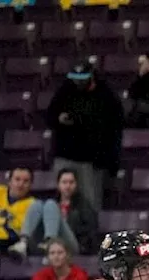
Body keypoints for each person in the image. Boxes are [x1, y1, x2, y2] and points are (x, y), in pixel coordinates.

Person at [46, 62, 123, 212]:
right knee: (61, 204)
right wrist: (59, 119)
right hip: (65, 154)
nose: (78, 82)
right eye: (75, 78)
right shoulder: (65, 91)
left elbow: (112, 127)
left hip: (92, 159)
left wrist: (110, 161)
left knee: (91, 204)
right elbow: (50, 116)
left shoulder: (106, 95)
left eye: (82, 78)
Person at [28, 168, 99, 255]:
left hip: (71, 245)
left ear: (76, 185)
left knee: (50, 204)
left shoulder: (84, 206)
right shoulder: (51, 204)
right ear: (58, 185)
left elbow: (90, 231)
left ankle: (50, 243)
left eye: (71, 182)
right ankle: (24, 242)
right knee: (38, 204)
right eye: (64, 182)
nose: (68, 186)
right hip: (46, 244)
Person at [0, 166, 39, 259]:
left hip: (11, 241)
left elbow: (17, 229)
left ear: (31, 185)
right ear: (9, 181)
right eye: (17, 179)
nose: (21, 184)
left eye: (26, 181)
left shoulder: (33, 205)